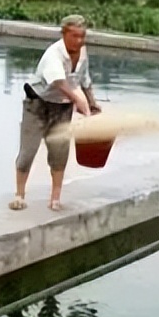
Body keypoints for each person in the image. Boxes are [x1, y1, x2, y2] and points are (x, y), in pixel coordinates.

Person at [10, 14, 101, 212]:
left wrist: (92, 103)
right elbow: (59, 83)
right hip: (37, 105)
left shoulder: (83, 53)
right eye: (74, 36)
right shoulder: (54, 54)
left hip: (62, 107)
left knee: (59, 153)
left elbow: (84, 79)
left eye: (82, 36)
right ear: (64, 34)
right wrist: (78, 100)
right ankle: (19, 195)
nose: (78, 41)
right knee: (28, 151)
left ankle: (55, 198)